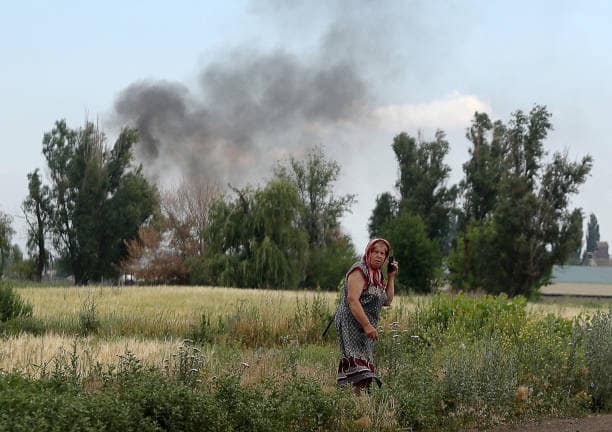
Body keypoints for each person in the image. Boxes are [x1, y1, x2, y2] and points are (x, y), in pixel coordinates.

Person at [334, 238, 398, 395]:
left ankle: (355, 402)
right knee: (358, 367)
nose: (379, 256)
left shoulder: (377, 276)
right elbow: (352, 300)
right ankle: (351, 403)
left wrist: (391, 277)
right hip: (351, 322)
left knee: (365, 368)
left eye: (383, 253)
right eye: (375, 252)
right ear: (368, 252)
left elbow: (387, 300)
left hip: (365, 326)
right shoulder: (359, 270)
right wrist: (367, 325)